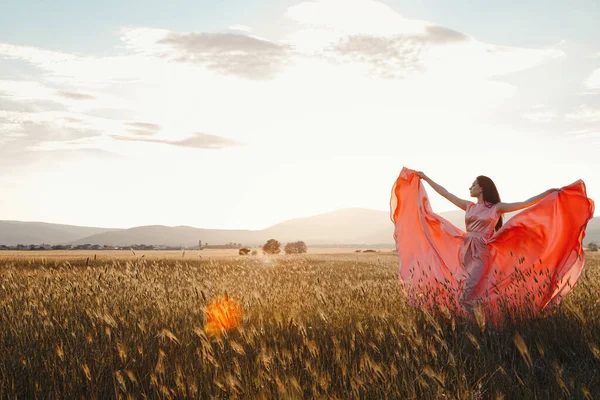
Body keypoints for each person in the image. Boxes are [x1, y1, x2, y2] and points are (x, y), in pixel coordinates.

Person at [389, 167, 594, 322]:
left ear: (482, 187)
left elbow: (524, 204)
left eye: (473, 184)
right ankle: (482, 324)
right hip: (465, 251)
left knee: (466, 294)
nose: (470, 187)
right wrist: (426, 178)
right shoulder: (468, 206)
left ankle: (476, 328)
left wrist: (548, 193)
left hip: (482, 252)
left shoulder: (496, 208)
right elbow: (445, 193)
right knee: (469, 290)